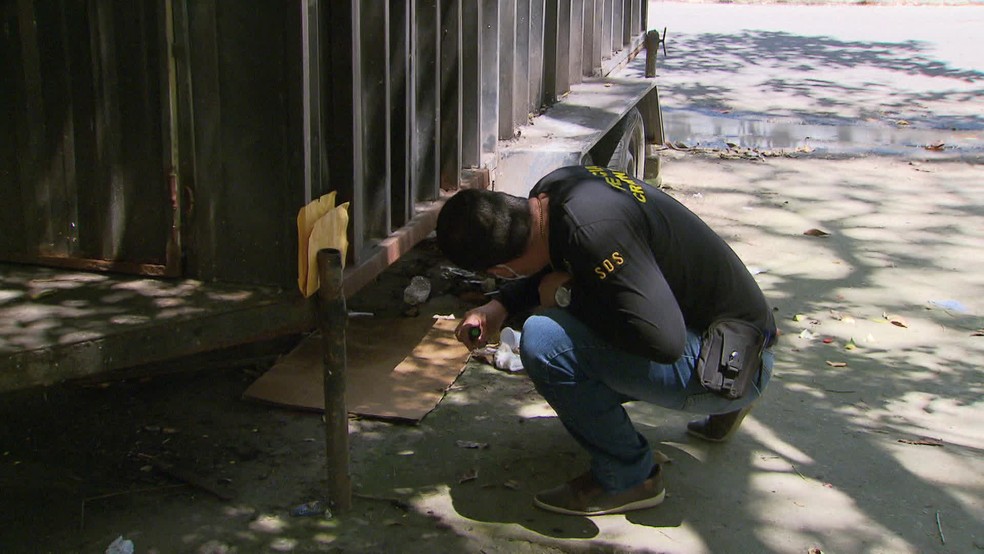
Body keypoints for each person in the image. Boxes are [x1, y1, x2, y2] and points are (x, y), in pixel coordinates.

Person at [435, 165, 777, 517]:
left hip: (730, 366)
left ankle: (630, 478)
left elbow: (665, 342)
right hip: (739, 336)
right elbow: (556, 267)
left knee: (545, 341)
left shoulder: (594, 234)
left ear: (500, 270)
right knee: (585, 313)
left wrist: (568, 295)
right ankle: (728, 404)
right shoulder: (555, 194)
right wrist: (500, 306)